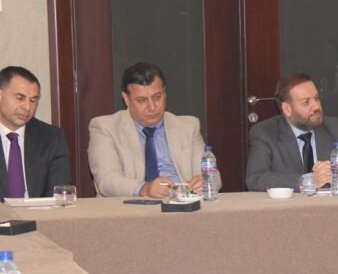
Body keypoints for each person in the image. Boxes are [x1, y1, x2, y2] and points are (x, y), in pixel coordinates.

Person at [88, 62, 220, 197]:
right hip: (133, 205)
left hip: (183, 203)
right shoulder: (105, 128)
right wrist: (144, 189)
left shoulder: (188, 127)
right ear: (126, 99)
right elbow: (106, 181)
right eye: (142, 100)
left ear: (165, 93)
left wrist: (204, 182)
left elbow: (214, 177)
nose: (152, 107)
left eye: (157, 97)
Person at [245, 72, 338, 191]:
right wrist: (308, 180)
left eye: (316, 98)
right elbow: (255, 179)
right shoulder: (265, 133)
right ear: (287, 109)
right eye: (306, 102)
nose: (316, 106)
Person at [0, 66, 71, 200]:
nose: (27, 107)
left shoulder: (52, 138)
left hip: (39, 212)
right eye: (20, 98)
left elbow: (57, 195)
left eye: (33, 100)